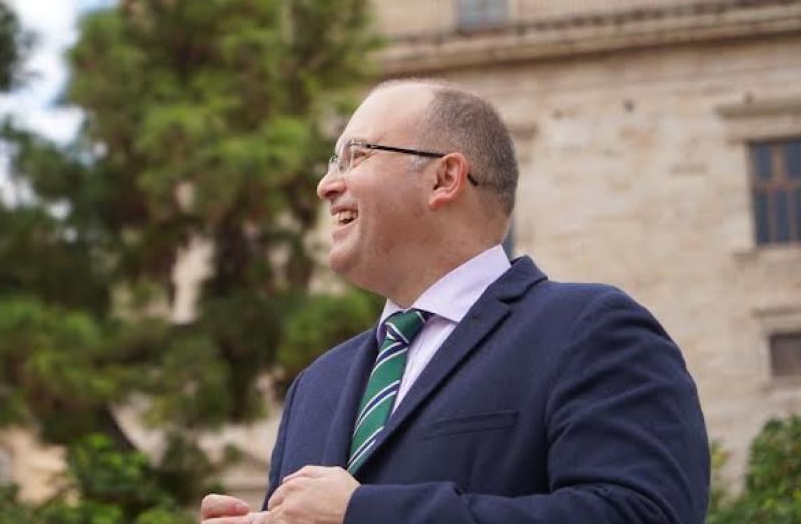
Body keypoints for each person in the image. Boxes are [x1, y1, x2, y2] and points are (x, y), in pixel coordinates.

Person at [201, 80, 709, 524]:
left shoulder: (588, 330)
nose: (326, 184)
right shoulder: (316, 387)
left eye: (356, 155)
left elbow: (641, 513)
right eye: (332, 162)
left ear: (444, 178)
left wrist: (366, 513)